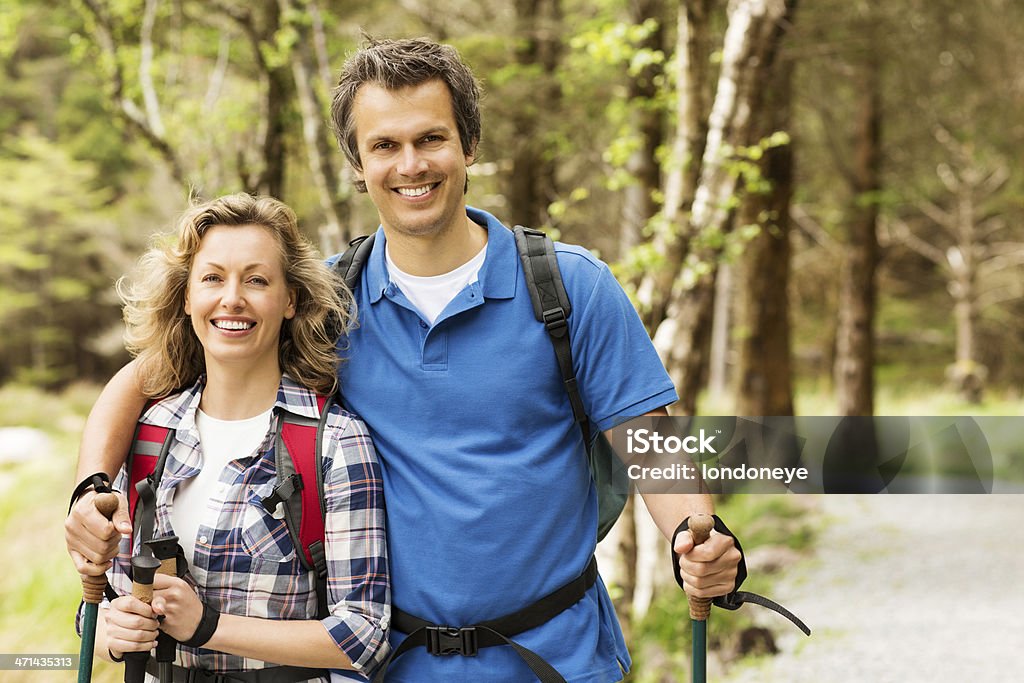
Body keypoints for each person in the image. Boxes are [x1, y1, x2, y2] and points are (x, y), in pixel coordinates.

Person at [67, 39, 742, 682]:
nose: (410, 164)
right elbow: (144, 380)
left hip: (559, 658)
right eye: (384, 145)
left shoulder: (570, 289)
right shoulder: (325, 300)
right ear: (358, 163)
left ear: (468, 145)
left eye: (430, 138)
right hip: (387, 662)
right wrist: (91, 489)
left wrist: (695, 536)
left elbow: (651, 448)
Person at [75, 194, 390, 681]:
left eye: (257, 280)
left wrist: (207, 626)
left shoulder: (334, 442)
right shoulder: (148, 434)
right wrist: (112, 632)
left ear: (290, 301)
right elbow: (96, 607)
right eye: (213, 278)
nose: (232, 298)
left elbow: (363, 637)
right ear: (186, 297)